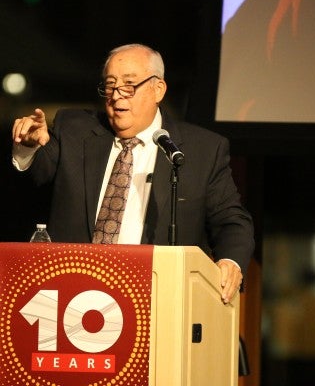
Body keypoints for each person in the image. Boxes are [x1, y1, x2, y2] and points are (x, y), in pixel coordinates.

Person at [11, 43, 255, 303]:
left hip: (157, 299)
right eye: (110, 85)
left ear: (157, 89)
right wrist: (28, 147)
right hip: (72, 294)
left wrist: (230, 262)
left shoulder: (202, 150)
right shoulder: (74, 129)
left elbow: (232, 221)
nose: (117, 96)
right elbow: (38, 174)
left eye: (129, 85)